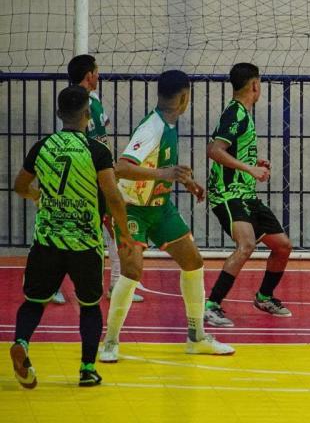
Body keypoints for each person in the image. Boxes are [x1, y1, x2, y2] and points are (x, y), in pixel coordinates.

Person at [99, 70, 234, 362]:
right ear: (185, 97)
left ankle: (196, 336)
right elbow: (120, 167)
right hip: (131, 207)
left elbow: (161, 166)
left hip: (160, 207)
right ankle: (109, 341)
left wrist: (184, 180)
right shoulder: (153, 128)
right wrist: (164, 173)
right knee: (132, 272)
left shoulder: (168, 125)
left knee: (193, 261)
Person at [10, 86, 135, 388]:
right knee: (90, 306)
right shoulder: (96, 150)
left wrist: (41, 196)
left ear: (58, 114)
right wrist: (123, 235)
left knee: (34, 301)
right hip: (84, 244)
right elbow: (113, 196)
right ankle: (87, 369)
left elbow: (20, 186)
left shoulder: (42, 147)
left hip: (47, 241)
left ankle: (23, 343)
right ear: (87, 115)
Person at [203, 63, 293, 327]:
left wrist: (253, 162)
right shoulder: (235, 114)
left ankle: (264, 296)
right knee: (246, 245)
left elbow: (230, 151)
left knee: (283, 246)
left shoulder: (242, 113)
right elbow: (214, 150)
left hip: (246, 195)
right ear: (255, 85)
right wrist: (250, 169)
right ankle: (212, 305)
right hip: (227, 195)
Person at [62, 55, 144, 304]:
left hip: (101, 172)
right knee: (72, 227)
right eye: (97, 72)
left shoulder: (94, 100)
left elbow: (102, 134)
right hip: (84, 175)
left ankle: (117, 283)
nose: (99, 76)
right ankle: (50, 281)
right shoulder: (75, 102)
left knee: (112, 227)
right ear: (89, 75)